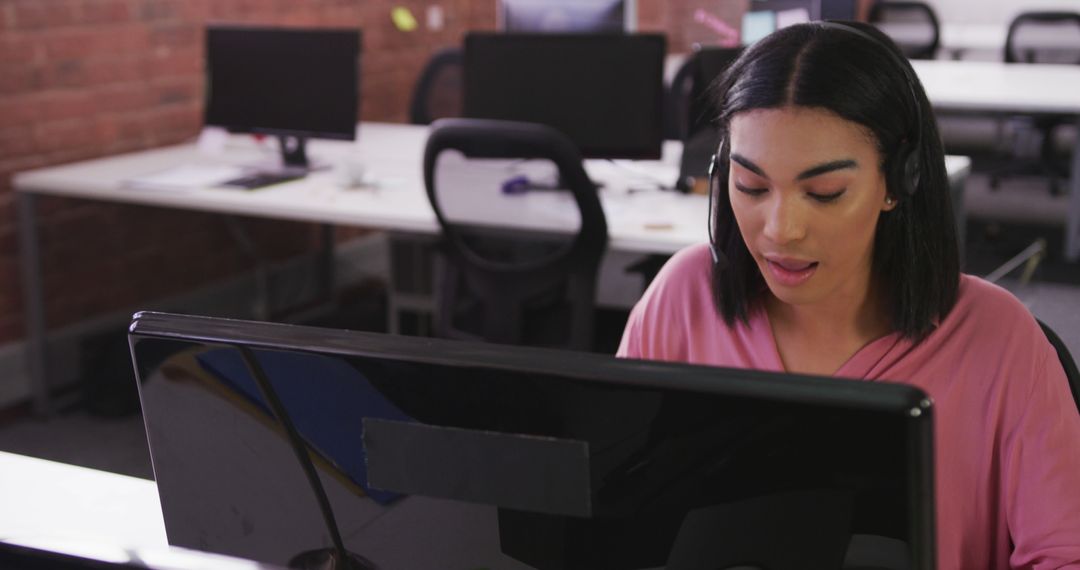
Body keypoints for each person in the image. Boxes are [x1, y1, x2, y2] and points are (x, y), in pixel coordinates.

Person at [617, 21, 1080, 569]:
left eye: (824, 193)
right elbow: (617, 516)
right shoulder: (682, 297)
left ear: (898, 181)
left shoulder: (1000, 341)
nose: (781, 229)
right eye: (752, 187)